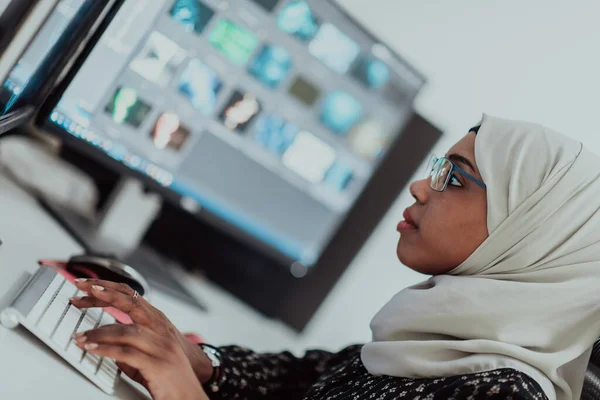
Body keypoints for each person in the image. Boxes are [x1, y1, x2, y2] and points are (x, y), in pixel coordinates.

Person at [68, 115, 600, 400]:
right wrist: (198, 362)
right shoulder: (438, 335)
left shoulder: (503, 394)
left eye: (453, 177)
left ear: (531, 232)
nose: (419, 186)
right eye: (438, 166)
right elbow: (308, 382)